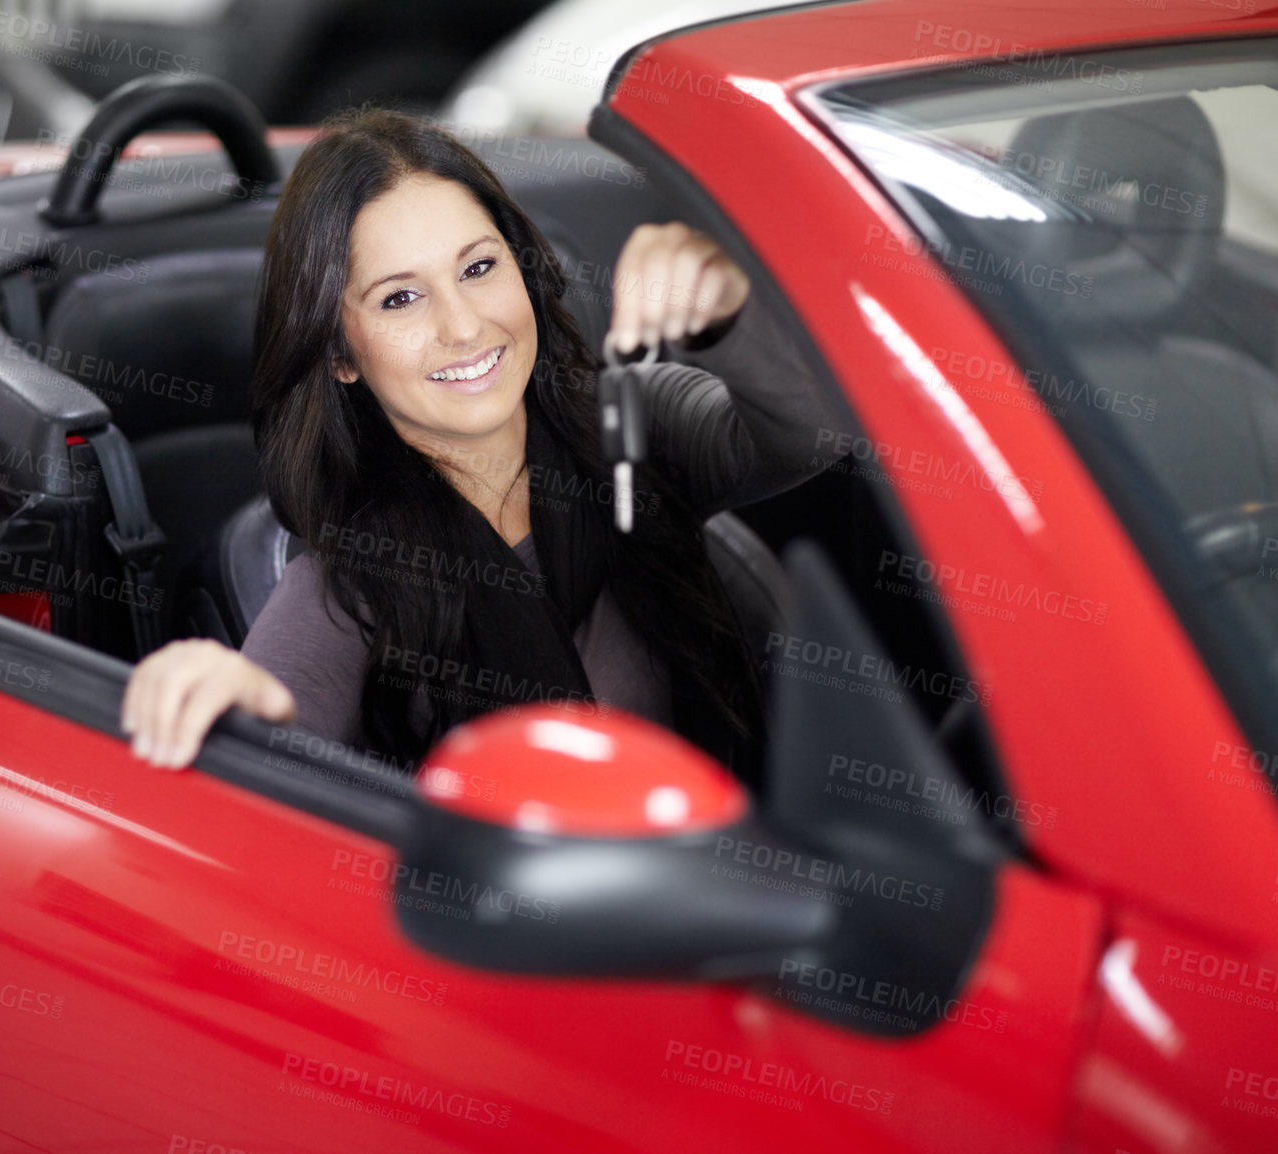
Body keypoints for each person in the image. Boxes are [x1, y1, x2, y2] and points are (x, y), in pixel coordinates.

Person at [119, 107, 836, 779]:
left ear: (523, 268)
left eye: (478, 268)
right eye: (400, 297)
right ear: (340, 354)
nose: (462, 327)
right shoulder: (348, 586)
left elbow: (812, 433)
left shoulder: (635, 426)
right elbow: (270, 728)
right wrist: (230, 703)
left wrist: (729, 312)